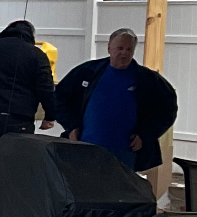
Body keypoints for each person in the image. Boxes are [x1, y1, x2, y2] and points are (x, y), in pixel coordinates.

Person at [53, 28, 178, 175]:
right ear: (109, 49)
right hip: (86, 149)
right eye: (120, 48)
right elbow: (59, 98)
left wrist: (146, 135)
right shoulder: (87, 72)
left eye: (129, 49)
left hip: (125, 153)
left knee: (120, 195)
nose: (124, 53)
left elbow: (168, 109)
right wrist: (71, 126)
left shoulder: (147, 80)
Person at [0, 19, 57, 177]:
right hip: (19, 119)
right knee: (16, 170)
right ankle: (11, 201)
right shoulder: (37, 55)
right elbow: (46, 88)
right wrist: (50, 116)